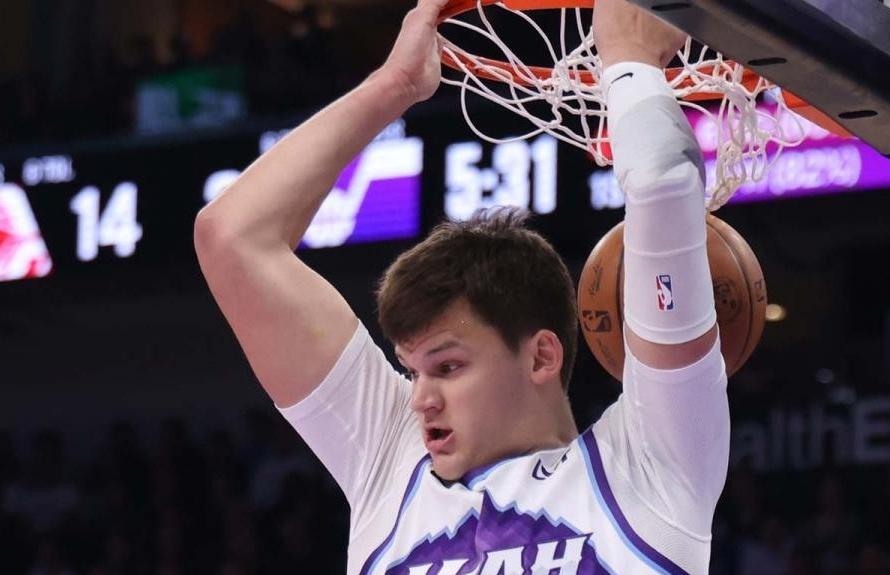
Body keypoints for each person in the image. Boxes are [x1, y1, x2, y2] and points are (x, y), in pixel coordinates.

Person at [194, 0, 728, 572]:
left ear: (541, 356)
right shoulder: (392, 458)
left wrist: (630, 58)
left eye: (448, 366)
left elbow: (663, 183)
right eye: (413, 370)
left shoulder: (647, 469)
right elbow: (232, 239)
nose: (421, 399)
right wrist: (393, 87)